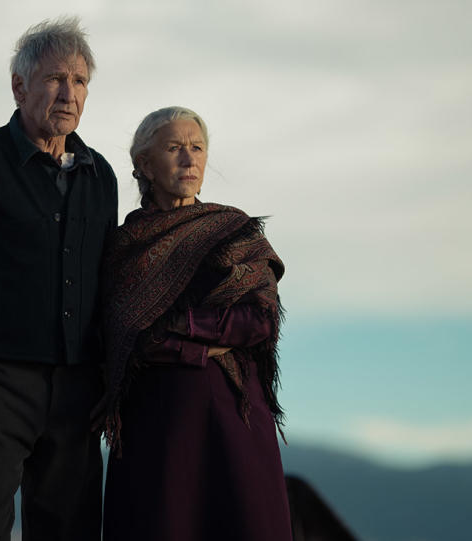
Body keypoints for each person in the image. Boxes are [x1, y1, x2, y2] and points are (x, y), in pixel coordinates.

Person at [0, 17, 117, 541]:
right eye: (56, 78)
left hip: (78, 389)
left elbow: (107, 285)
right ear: (19, 86)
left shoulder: (100, 175)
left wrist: (109, 378)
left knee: (71, 531)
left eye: (80, 82)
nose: (68, 93)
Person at [100, 106, 293, 541]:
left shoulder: (234, 231)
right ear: (144, 165)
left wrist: (180, 326)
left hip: (235, 419)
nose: (189, 159)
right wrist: (206, 344)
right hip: (156, 427)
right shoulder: (122, 249)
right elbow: (129, 339)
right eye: (174, 148)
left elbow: (261, 319)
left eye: (197, 147)